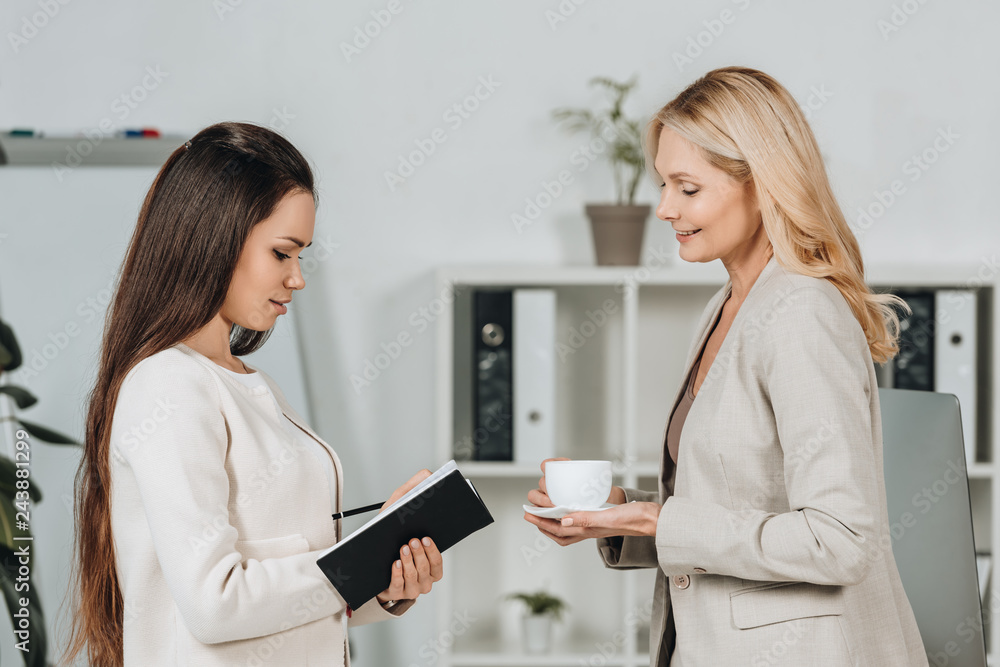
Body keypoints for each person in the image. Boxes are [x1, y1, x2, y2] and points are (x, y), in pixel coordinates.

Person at [524, 67, 927, 666]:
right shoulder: (727, 307)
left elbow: (839, 539)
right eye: (663, 184)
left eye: (687, 189)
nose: (663, 208)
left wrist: (662, 521)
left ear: (762, 185)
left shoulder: (800, 313)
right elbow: (732, 502)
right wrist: (619, 518)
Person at [63, 122, 442, 666]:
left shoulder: (249, 383)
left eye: (302, 256)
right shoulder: (167, 386)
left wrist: (384, 576)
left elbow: (289, 588)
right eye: (282, 253)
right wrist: (357, 562)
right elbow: (215, 603)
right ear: (216, 239)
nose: (297, 278)